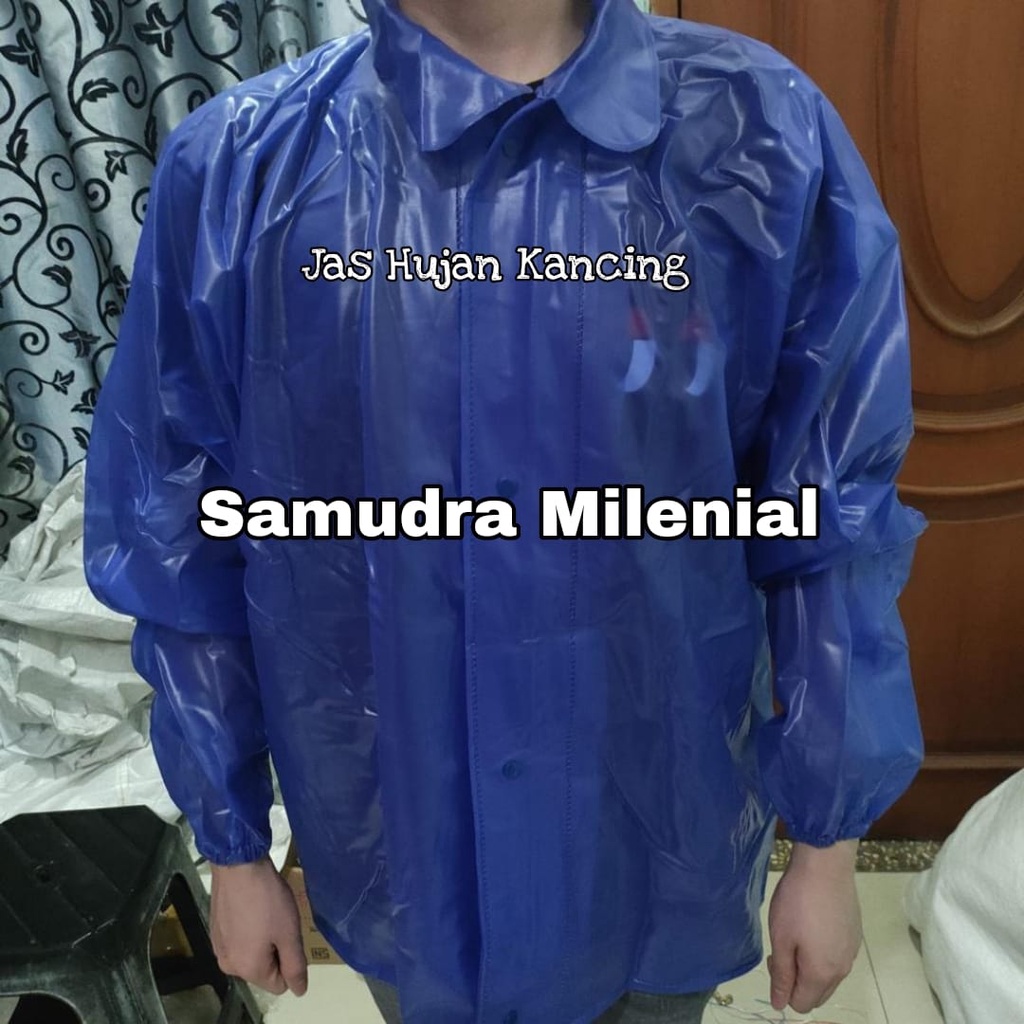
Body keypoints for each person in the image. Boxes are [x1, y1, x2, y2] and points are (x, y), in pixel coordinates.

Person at [82, 1, 927, 1021]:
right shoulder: (242, 169)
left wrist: (827, 848)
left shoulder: (759, 135)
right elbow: (178, 538)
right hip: (401, 853)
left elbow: (831, 519)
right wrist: (234, 846)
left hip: (658, 837)